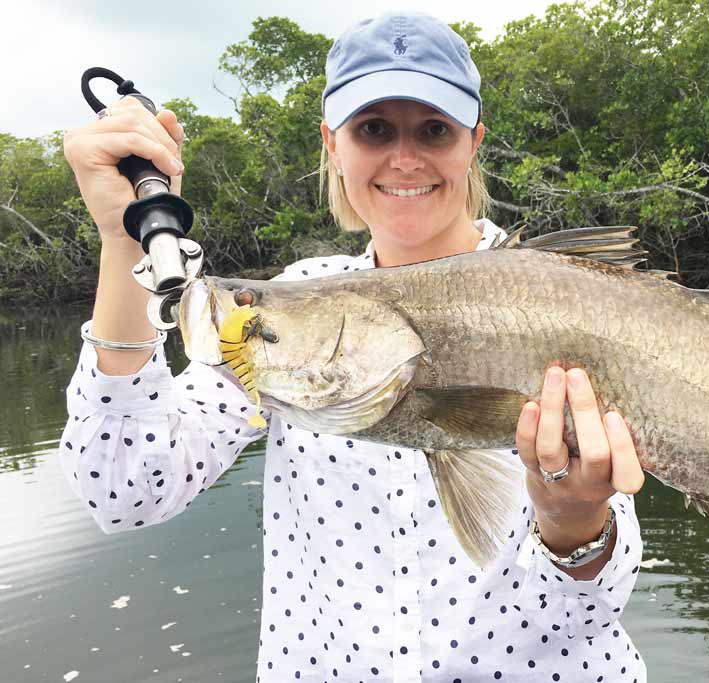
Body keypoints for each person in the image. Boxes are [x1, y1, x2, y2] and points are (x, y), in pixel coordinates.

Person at [60, 11, 647, 682]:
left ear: (473, 143)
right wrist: (121, 239)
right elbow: (125, 489)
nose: (404, 157)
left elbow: (588, 611)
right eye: (373, 129)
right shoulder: (283, 310)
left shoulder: (565, 308)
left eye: (434, 129)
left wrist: (575, 521)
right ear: (332, 144)